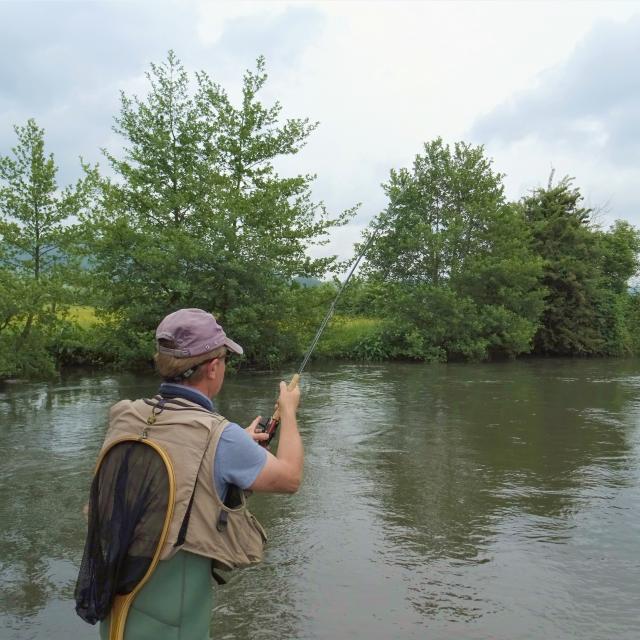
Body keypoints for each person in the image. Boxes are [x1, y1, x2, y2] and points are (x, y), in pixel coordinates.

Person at [75, 308, 303, 640]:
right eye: (225, 359)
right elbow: (290, 478)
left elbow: (172, 455)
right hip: (175, 616)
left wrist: (232, 444)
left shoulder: (126, 414)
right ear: (213, 368)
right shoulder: (221, 436)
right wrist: (290, 412)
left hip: (116, 605)